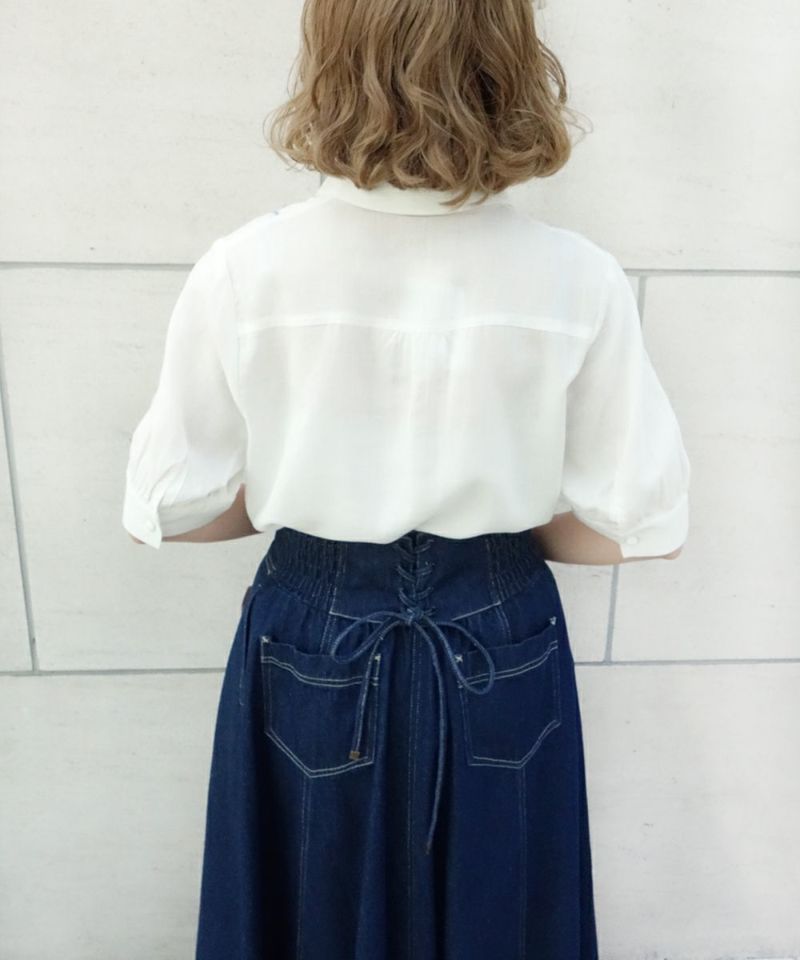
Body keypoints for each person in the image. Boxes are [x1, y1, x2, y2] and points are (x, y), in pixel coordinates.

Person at [121, 0, 691, 957]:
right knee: (504, 921)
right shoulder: (575, 277)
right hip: (501, 627)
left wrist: (301, 488)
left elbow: (169, 507)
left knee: (306, 915)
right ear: (509, 62)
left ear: (333, 59)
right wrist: (507, 526)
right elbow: (643, 524)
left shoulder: (247, 270)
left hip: (312, 629)